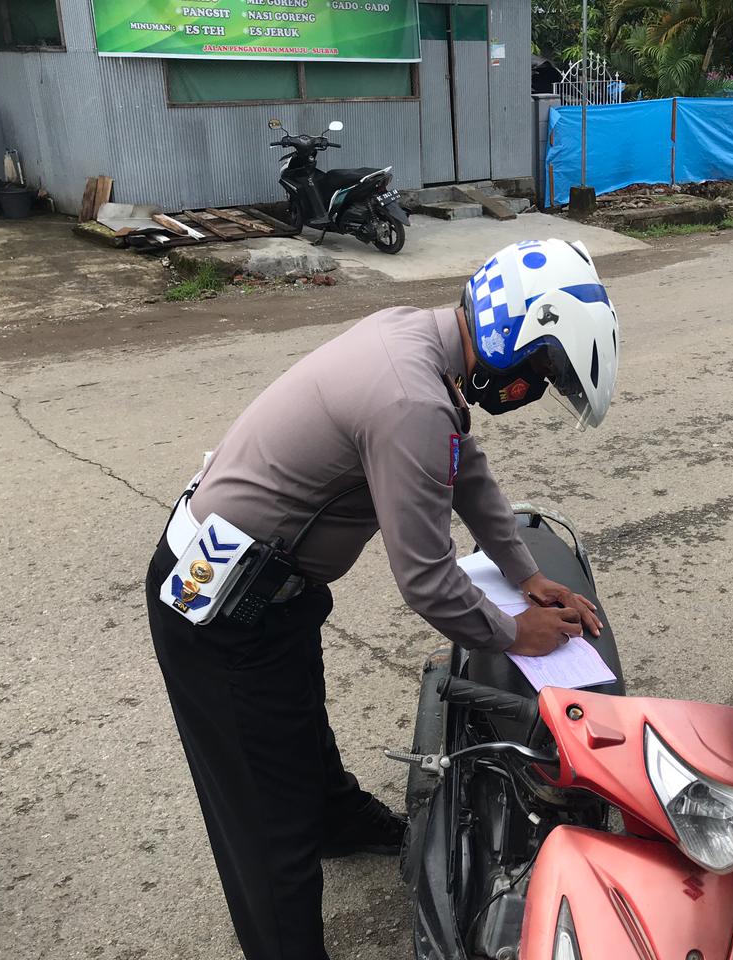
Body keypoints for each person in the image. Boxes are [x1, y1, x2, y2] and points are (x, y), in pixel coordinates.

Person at [144, 238, 619, 960]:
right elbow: (427, 580)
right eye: (541, 370)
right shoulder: (410, 398)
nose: (533, 389)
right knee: (265, 819)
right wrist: (518, 633)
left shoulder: (422, 341)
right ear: (510, 338)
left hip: (270, 589)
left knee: (296, 716)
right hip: (217, 607)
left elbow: (467, 471)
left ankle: (338, 819)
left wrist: (523, 571)